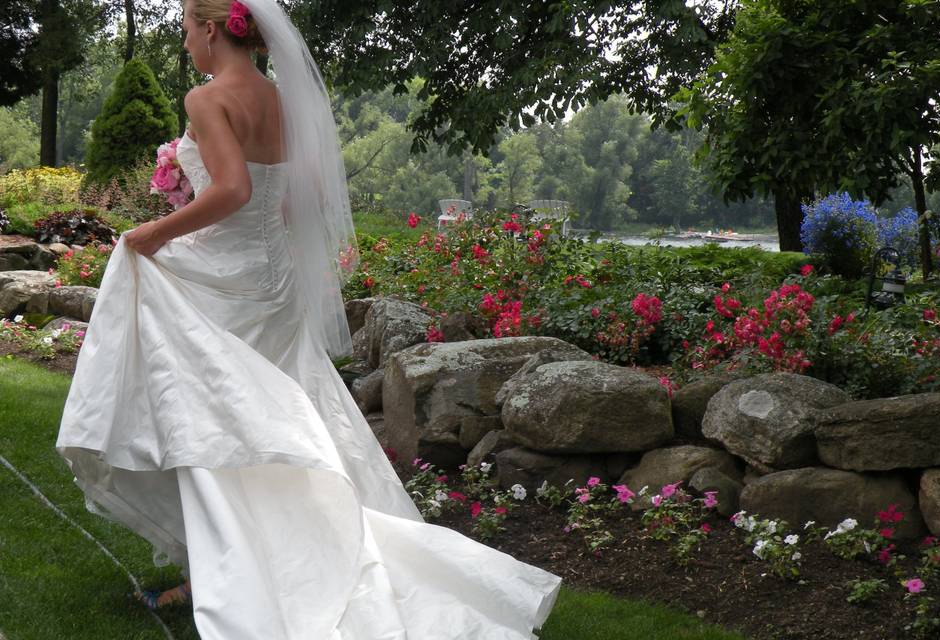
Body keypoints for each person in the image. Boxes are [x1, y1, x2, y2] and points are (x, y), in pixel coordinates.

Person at [55, 0, 562, 637]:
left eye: (187, 31)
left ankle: (247, 567)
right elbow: (292, 199)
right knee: (272, 419)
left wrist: (155, 232)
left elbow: (233, 189)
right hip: (273, 280)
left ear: (212, 29)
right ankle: (234, 559)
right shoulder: (281, 99)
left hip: (227, 281)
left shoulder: (206, 99)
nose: (187, 44)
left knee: (218, 427)